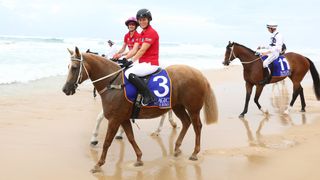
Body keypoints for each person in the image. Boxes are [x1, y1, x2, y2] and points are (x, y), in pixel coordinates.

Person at [123, 8, 160, 106]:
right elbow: (134, 50)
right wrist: (125, 59)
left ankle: (148, 95)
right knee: (124, 69)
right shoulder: (142, 34)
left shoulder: (151, 32)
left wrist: (131, 61)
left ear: (149, 19)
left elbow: (142, 50)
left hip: (151, 64)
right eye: (140, 20)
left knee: (129, 73)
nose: (142, 22)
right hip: (142, 62)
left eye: (144, 19)